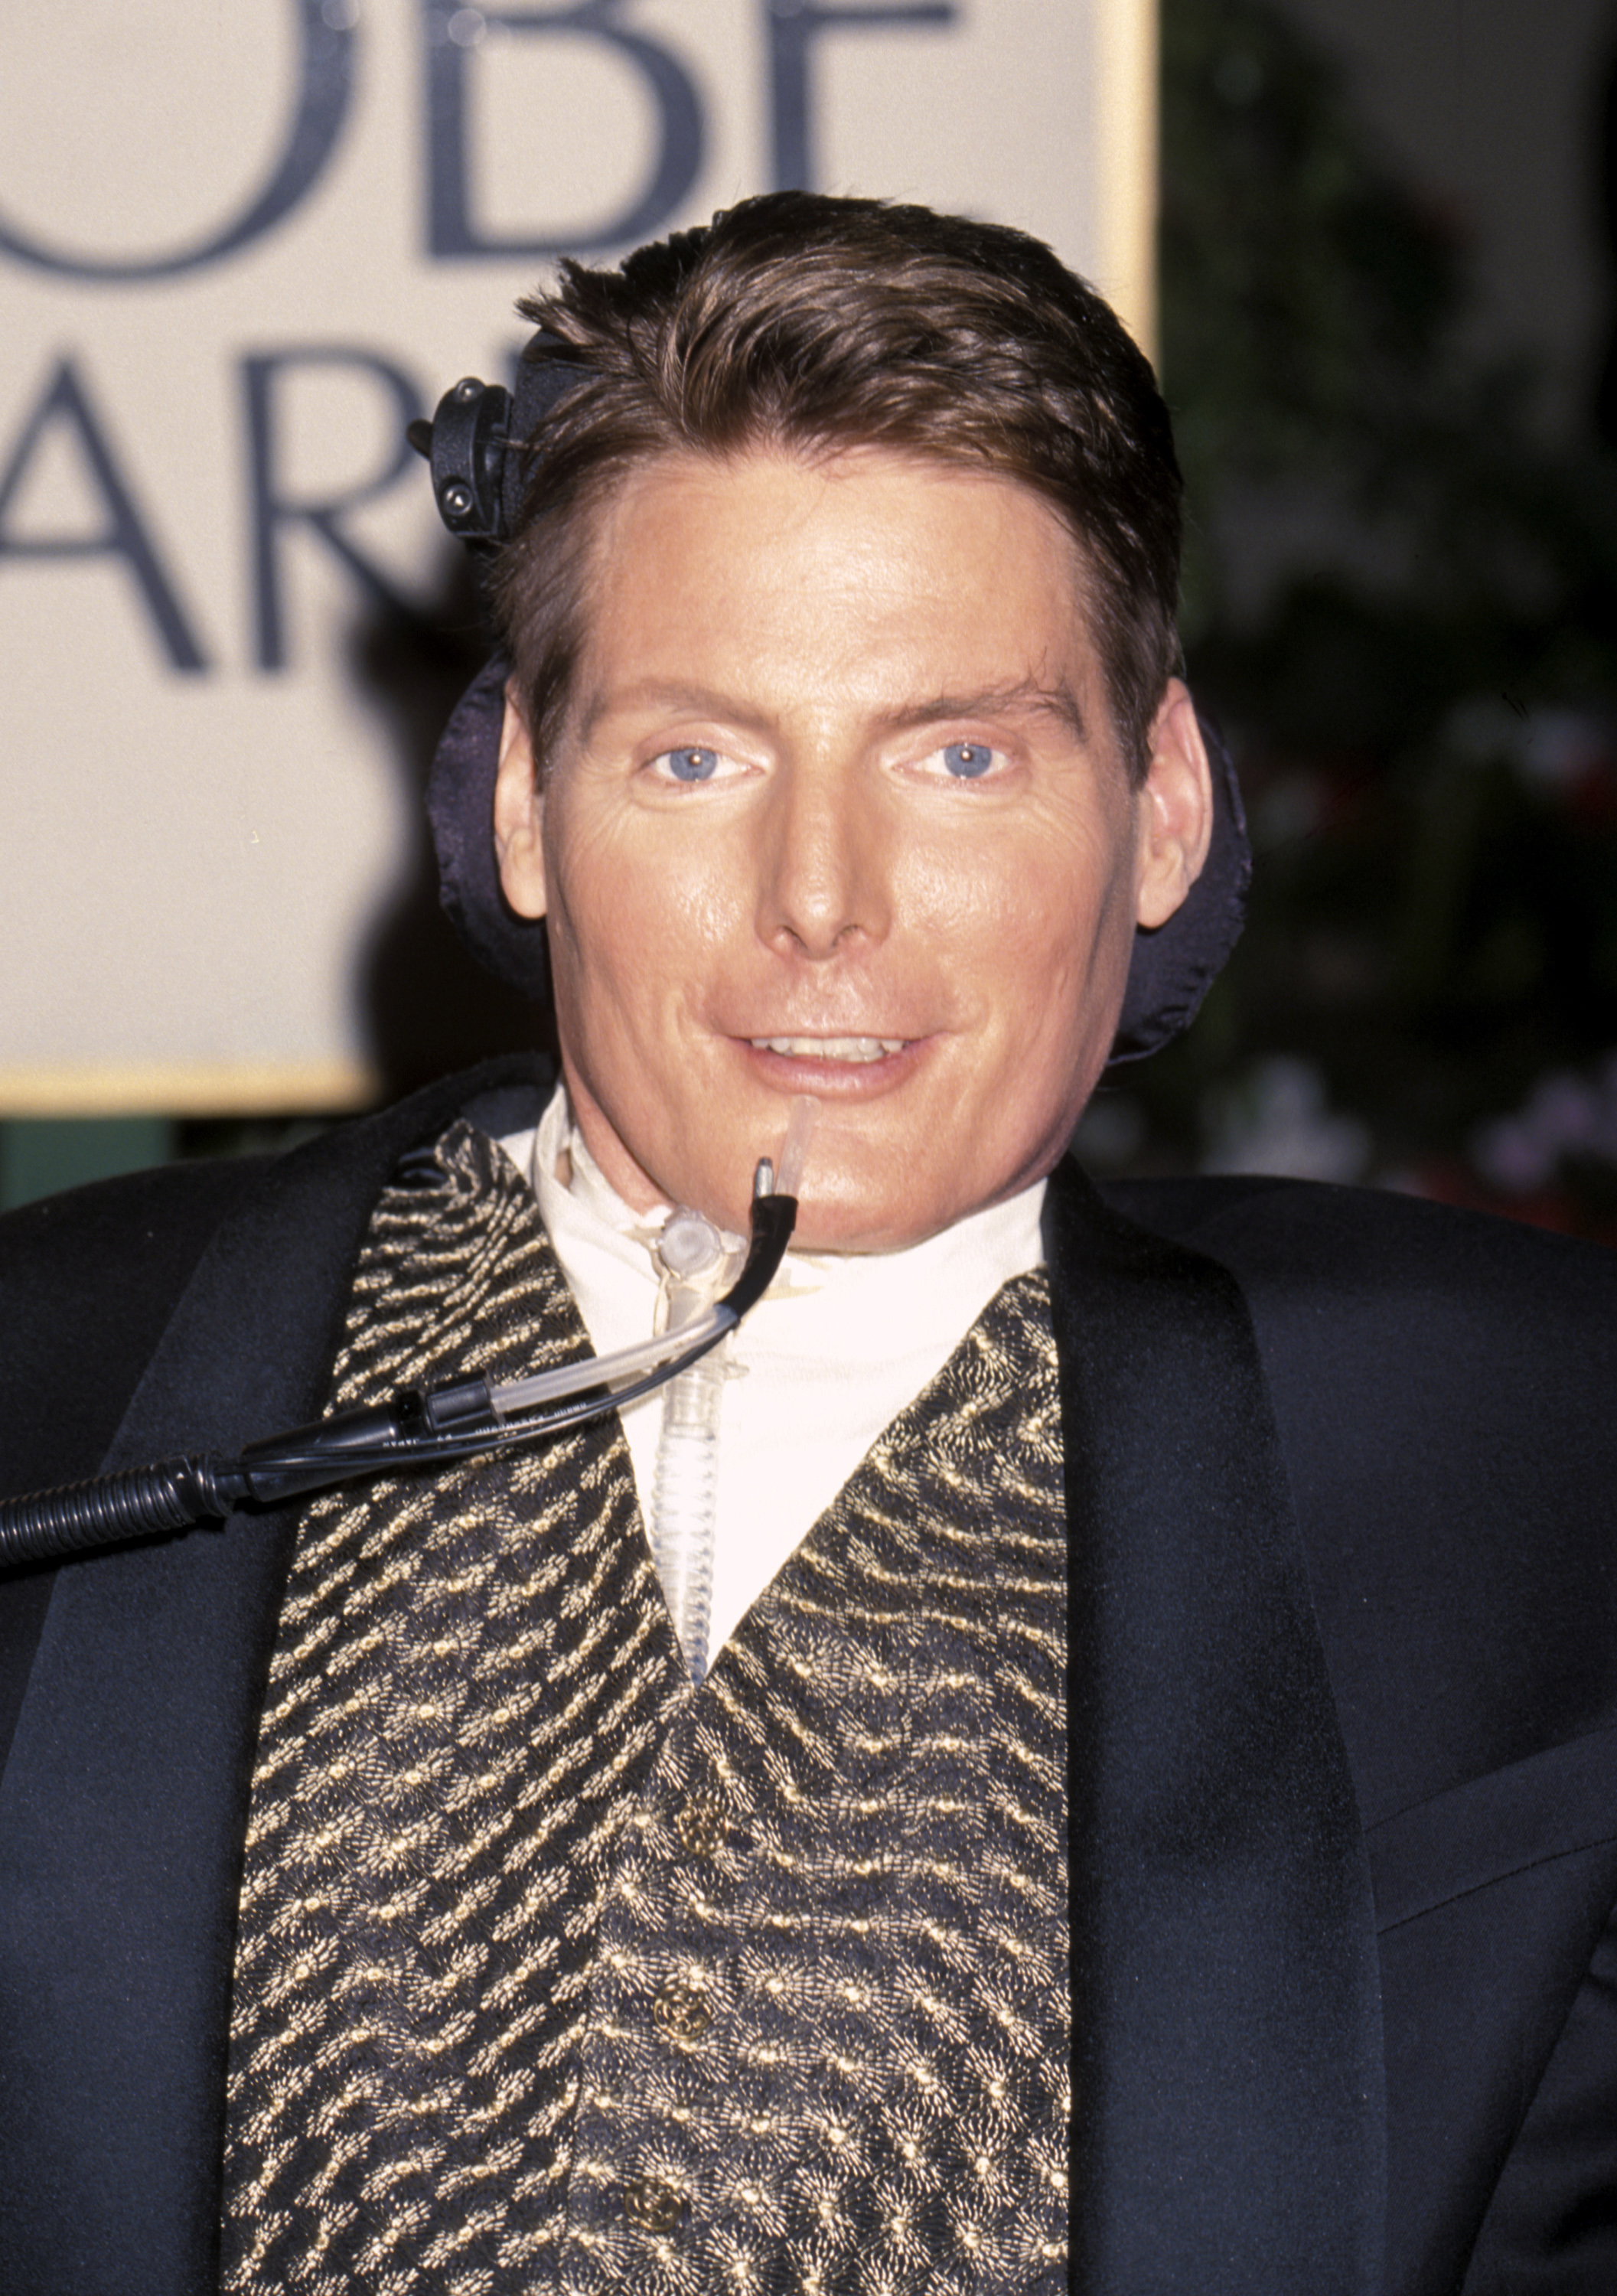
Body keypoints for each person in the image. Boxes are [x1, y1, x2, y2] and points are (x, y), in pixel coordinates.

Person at [2, 191, 1615, 2296]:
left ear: (1160, 812)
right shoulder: (54, 1400)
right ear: (514, 804)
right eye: (694, 755)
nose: (821, 895)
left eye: (954, 755)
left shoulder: (1533, 1457)